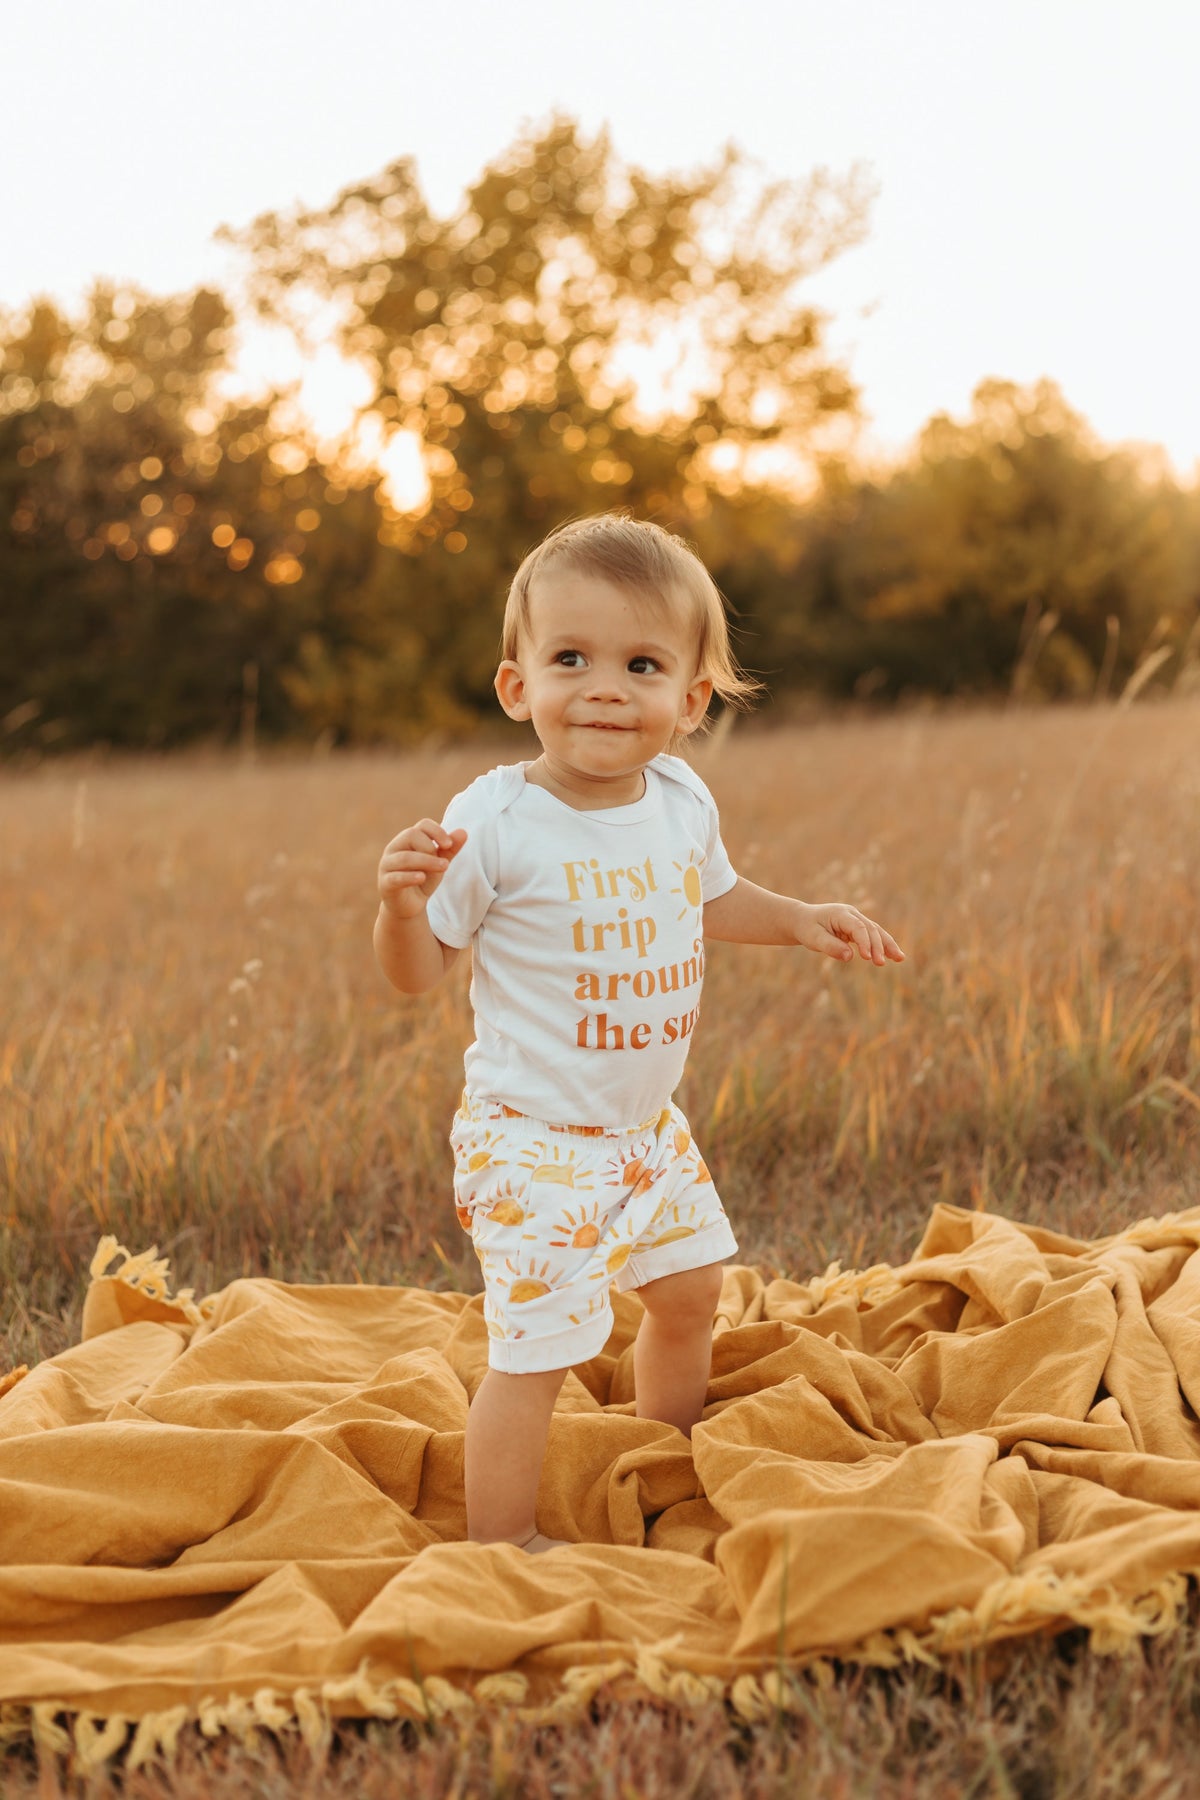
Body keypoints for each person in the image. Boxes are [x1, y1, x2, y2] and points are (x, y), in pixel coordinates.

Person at [374, 513, 904, 1553]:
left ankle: (663, 1450)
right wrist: (399, 909)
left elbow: (708, 894)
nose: (606, 687)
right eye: (570, 658)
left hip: (643, 1130)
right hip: (535, 1141)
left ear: (690, 699)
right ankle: (503, 1540)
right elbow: (418, 974)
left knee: (690, 1293)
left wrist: (798, 920)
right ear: (517, 686)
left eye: (642, 663)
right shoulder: (496, 821)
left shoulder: (676, 796)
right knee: (537, 1353)